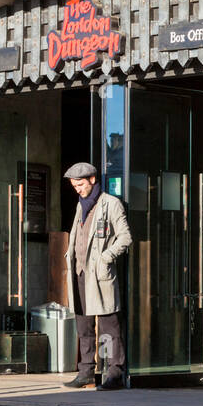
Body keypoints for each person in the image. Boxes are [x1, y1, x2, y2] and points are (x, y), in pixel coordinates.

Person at [62, 162, 132, 390]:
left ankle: (114, 373)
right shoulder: (79, 206)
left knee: (109, 327)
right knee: (83, 327)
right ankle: (85, 372)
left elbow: (125, 238)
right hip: (79, 273)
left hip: (100, 275)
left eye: (80, 184)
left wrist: (105, 258)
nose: (78, 189)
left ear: (92, 180)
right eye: (74, 186)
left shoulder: (111, 204)